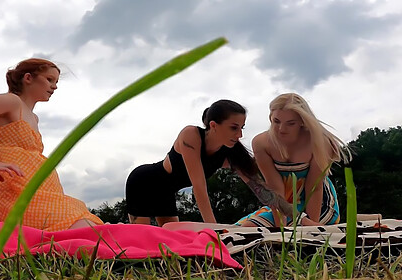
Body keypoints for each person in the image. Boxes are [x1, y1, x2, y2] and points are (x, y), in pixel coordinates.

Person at [0, 58, 102, 231]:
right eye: (49, 79)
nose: (54, 86)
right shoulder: (11, 102)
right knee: (87, 230)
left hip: (40, 191)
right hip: (14, 193)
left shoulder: (33, 118)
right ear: (28, 78)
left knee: (87, 228)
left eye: (56, 82)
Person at [125, 99, 258, 226]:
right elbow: (199, 186)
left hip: (166, 193)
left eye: (242, 128)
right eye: (234, 128)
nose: (240, 135)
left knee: (172, 239)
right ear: (213, 125)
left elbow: (256, 183)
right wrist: (214, 229)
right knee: (143, 238)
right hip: (142, 183)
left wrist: (276, 206)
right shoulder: (191, 135)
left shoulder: (229, 153)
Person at [236, 93, 350, 227]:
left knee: (300, 231)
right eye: (276, 121)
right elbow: (275, 187)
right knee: (242, 228)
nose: (281, 129)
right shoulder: (261, 143)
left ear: (302, 121)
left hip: (319, 203)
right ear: (270, 117)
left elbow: (314, 188)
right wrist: (281, 230)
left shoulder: (320, 142)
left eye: (291, 123)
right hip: (284, 203)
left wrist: (313, 228)